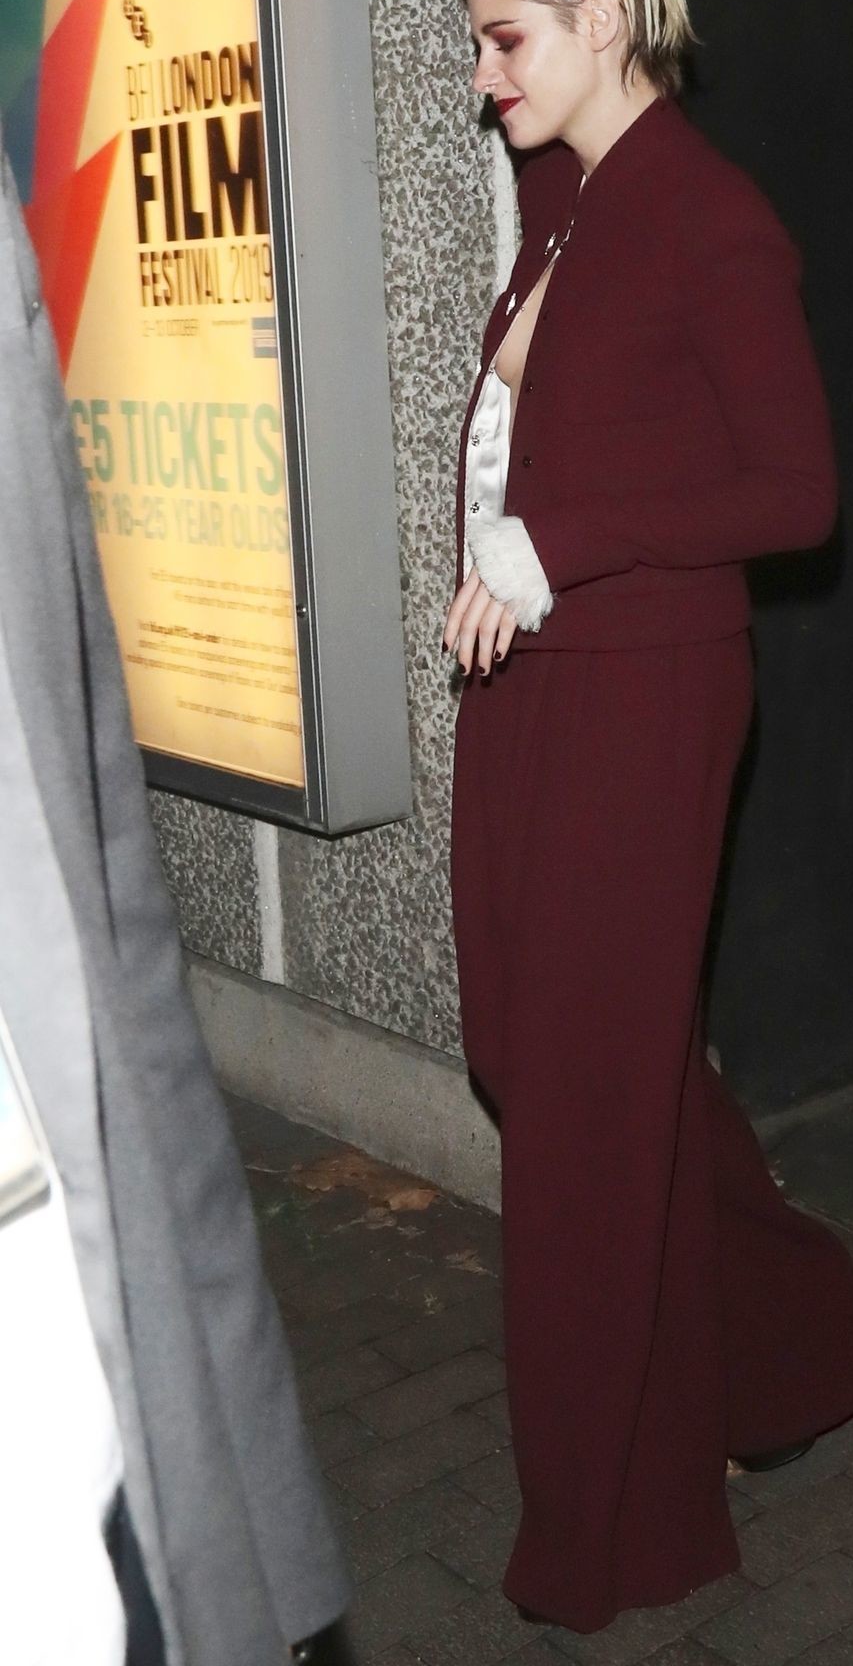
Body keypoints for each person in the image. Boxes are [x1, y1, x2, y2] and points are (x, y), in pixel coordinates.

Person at [443, 0, 853, 1635]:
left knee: (582, 1102)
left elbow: (796, 494)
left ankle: (617, 1526)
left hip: (644, 698)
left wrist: (566, 543)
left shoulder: (711, 217)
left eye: (508, 40)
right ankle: (794, 1348)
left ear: (601, 16)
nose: (486, 76)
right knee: (541, 1050)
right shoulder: (563, 197)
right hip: (531, 686)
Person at [0, 132, 347, 1663]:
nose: (483, 75)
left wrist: (255, 1504)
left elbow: (100, 874)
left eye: (504, 39)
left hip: (83, 1399)